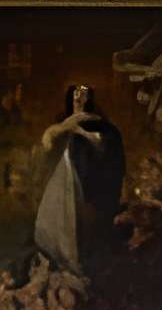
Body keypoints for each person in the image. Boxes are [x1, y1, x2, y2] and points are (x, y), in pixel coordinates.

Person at [34, 83, 125, 278]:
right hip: (62, 180)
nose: (79, 97)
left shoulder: (101, 126)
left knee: (83, 228)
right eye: (76, 93)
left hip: (87, 183)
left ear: (90, 98)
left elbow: (104, 151)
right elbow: (47, 146)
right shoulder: (62, 124)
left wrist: (83, 134)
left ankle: (82, 266)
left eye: (84, 93)